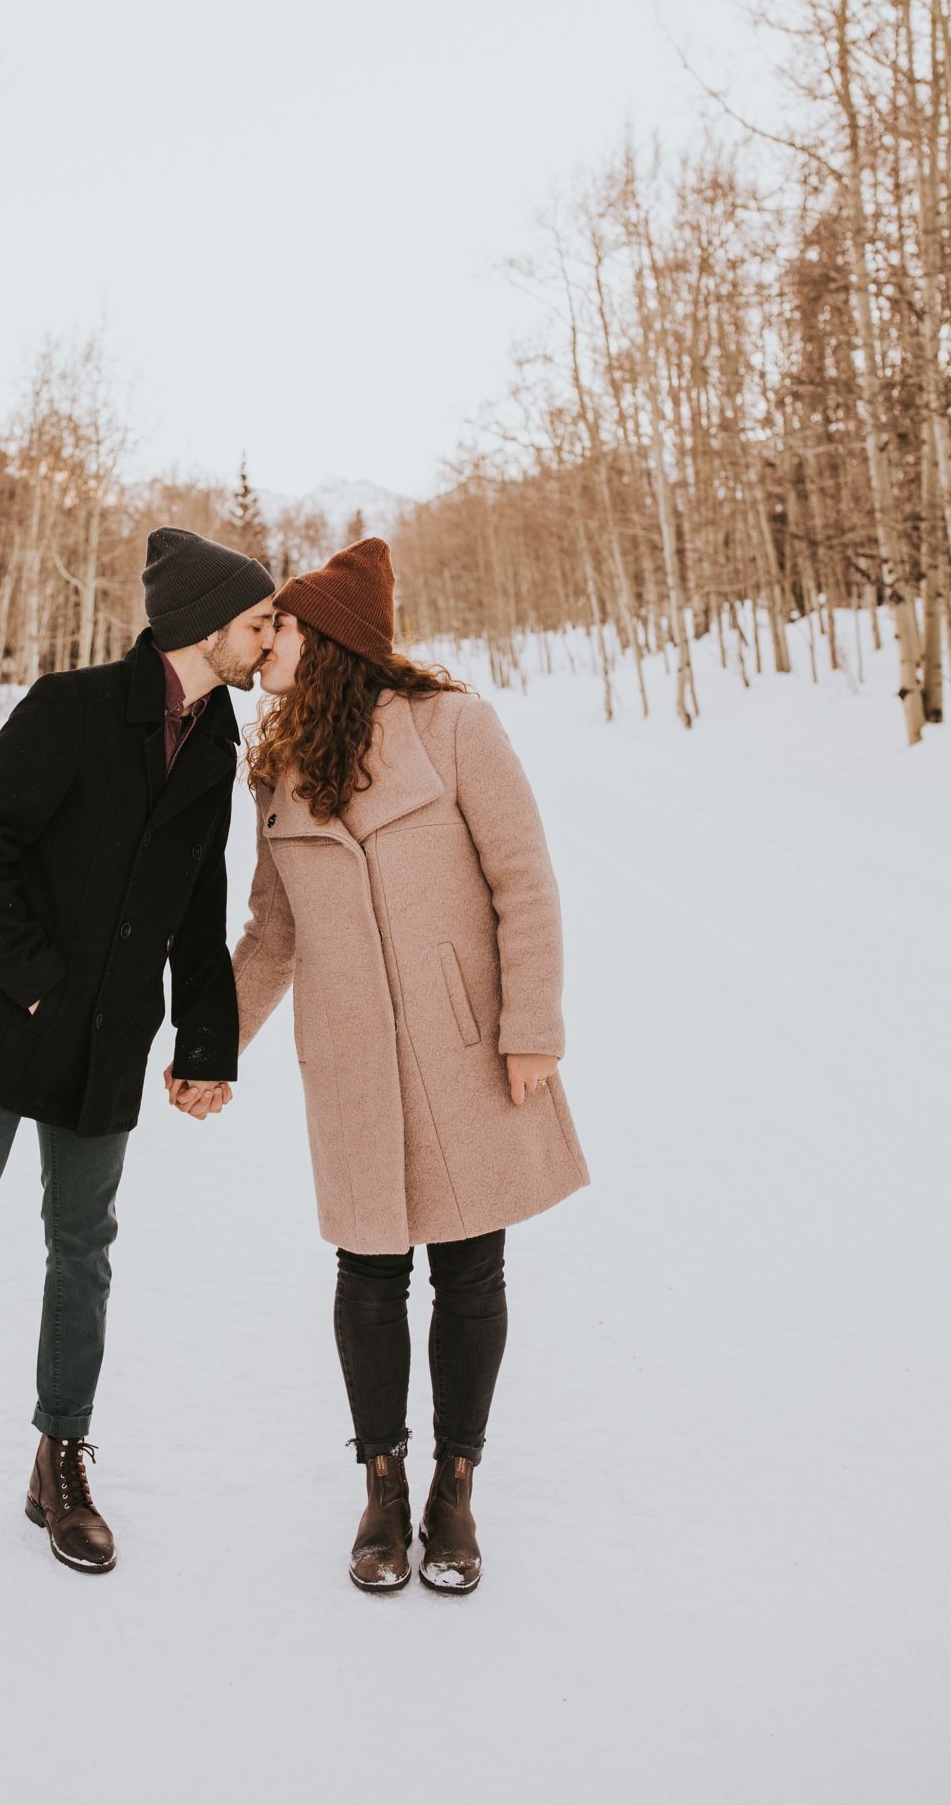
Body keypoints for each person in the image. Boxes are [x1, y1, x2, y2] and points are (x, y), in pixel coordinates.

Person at [0, 527, 272, 1578]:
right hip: (2, 1021)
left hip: (107, 1047)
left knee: (83, 1250)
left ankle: (60, 1459)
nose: (270, 640)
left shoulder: (217, 743)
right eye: (260, 622)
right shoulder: (73, 707)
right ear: (206, 623)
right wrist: (35, 976)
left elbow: (198, 904)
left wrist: (206, 1041)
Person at [216, 537, 588, 1595]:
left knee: (470, 1271)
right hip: (350, 1056)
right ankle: (382, 1488)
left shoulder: (457, 728)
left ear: (326, 641)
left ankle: (454, 1488)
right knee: (371, 1271)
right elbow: (271, 934)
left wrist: (532, 1028)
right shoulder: (278, 770)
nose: (265, 641)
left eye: (280, 624)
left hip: (465, 1045)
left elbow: (527, 884)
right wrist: (213, 1048)